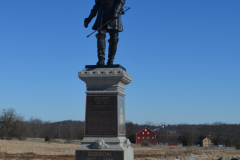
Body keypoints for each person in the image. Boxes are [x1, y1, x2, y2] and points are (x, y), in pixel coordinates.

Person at [84, 0, 125, 65]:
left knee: (114, 38)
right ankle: (101, 59)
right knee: (100, 35)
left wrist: (116, 11)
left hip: (113, 13)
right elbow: (96, 6)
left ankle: (111, 60)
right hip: (102, 14)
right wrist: (89, 18)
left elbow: (121, 1)